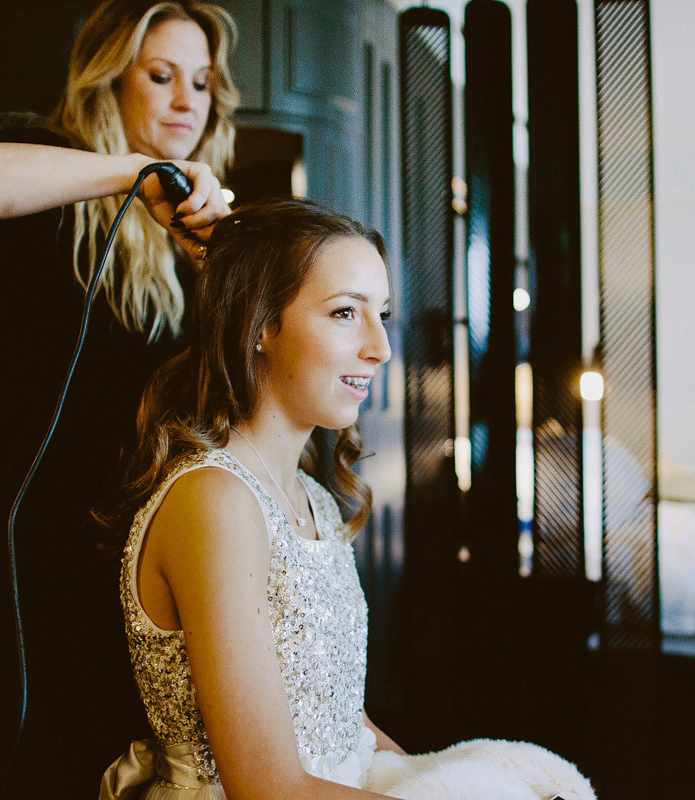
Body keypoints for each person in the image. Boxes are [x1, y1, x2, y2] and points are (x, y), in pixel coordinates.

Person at [100, 198, 597, 800]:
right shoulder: (214, 501)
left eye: (381, 315)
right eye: (344, 313)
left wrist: (442, 783)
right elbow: (267, 789)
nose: (381, 348)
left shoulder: (314, 498)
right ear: (259, 325)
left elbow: (340, 723)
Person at [0, 2, 238, 797]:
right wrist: (131, 173)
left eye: (202, 82)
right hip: (36, 573)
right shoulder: (54, 175)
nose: (188, 101)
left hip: (152, 578)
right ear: (109, 79)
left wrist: (216, 263)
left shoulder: (201, 233)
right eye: (161, 77)